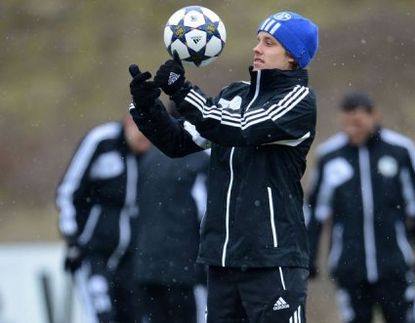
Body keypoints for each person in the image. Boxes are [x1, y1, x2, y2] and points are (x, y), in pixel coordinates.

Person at [127, 10, 319, 323]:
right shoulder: (234, 94)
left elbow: (240, 128)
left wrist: (182, 91)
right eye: (258, 40)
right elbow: (179, 142)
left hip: (272, 260)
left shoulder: (298, 100)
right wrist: (148, 108)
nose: (257, 48)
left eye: (269, 43)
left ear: (293, 58)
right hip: (222, 260)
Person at [306, 91, 415, 323]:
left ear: (374, 116)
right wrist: (308, 257)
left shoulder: (400, 151)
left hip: (395, 266)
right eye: (346, 124)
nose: (351, 130)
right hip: (349, 267)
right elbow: (315, 211)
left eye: (357, 123)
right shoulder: (329, 156)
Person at [56, 115, 151, 323]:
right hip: (93, 253)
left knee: (134, 317)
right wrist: (73, 238)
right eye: (142, 133)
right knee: (103, 316)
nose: (147, 140)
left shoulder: (157, 149)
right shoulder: (101, 141)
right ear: (129, 122)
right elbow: (68, 190)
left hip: (132, 257)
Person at [134, 140, 210, 323]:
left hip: (147, 266)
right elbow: (207, 214)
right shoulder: (201, 159)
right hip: (185, 269)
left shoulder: (150, 156)